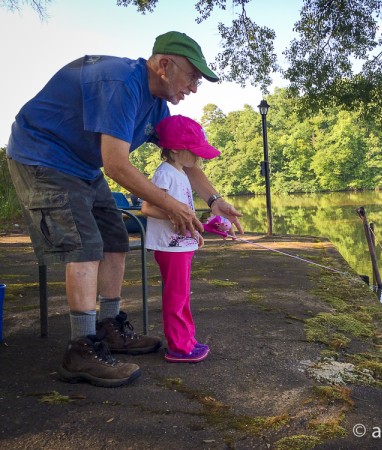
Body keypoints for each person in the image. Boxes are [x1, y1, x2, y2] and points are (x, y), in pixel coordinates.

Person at [5, 31, 243, 387]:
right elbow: (115, 165)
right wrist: (174, 205)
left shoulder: (157, 105)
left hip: (83, 166)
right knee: (86, 245)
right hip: (43, 156)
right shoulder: (121, 83)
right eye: (193, 77)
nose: (194, 88)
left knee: (114, 239)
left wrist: (214, 200)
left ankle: (111, 327)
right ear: (164, 65)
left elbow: (186, 159)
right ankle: (81, 350)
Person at [142, 115, 219, 363]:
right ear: (175, 150)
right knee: (176, 297)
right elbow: (147, 208)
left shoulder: (181, 173)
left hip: (182, 246)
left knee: (184, 295)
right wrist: (172, 214)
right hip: (169, 247)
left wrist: (194, 234)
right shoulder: (165, 173)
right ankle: (178, 347)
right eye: (194, 152)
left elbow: (186, 211)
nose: (198, 158)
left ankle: (188, 339)